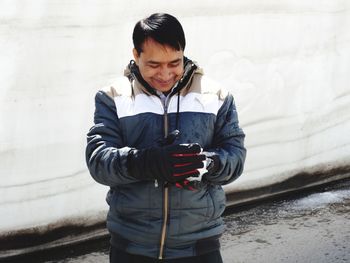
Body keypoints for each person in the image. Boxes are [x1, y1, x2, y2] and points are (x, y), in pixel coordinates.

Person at [86, 13, 246, 263]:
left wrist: (206, 164)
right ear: (136, 55)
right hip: (131, 246)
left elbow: (236, 157)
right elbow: (98, 162)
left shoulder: (216, 96)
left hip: (199, 246)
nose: (165, 73)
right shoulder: (113, 97)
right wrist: (145, 162)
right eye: (153, 64)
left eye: (174, 62)